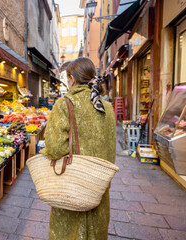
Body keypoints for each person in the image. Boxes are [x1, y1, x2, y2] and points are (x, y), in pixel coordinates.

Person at [40, 57, 116, 240]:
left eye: (67, 78)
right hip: (99, 187)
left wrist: (44, 152)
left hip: (72, 186)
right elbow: (111, 148)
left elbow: (55, 148)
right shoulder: (106, 107)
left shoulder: (65, 104)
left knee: (70, 233)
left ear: (72, 78)